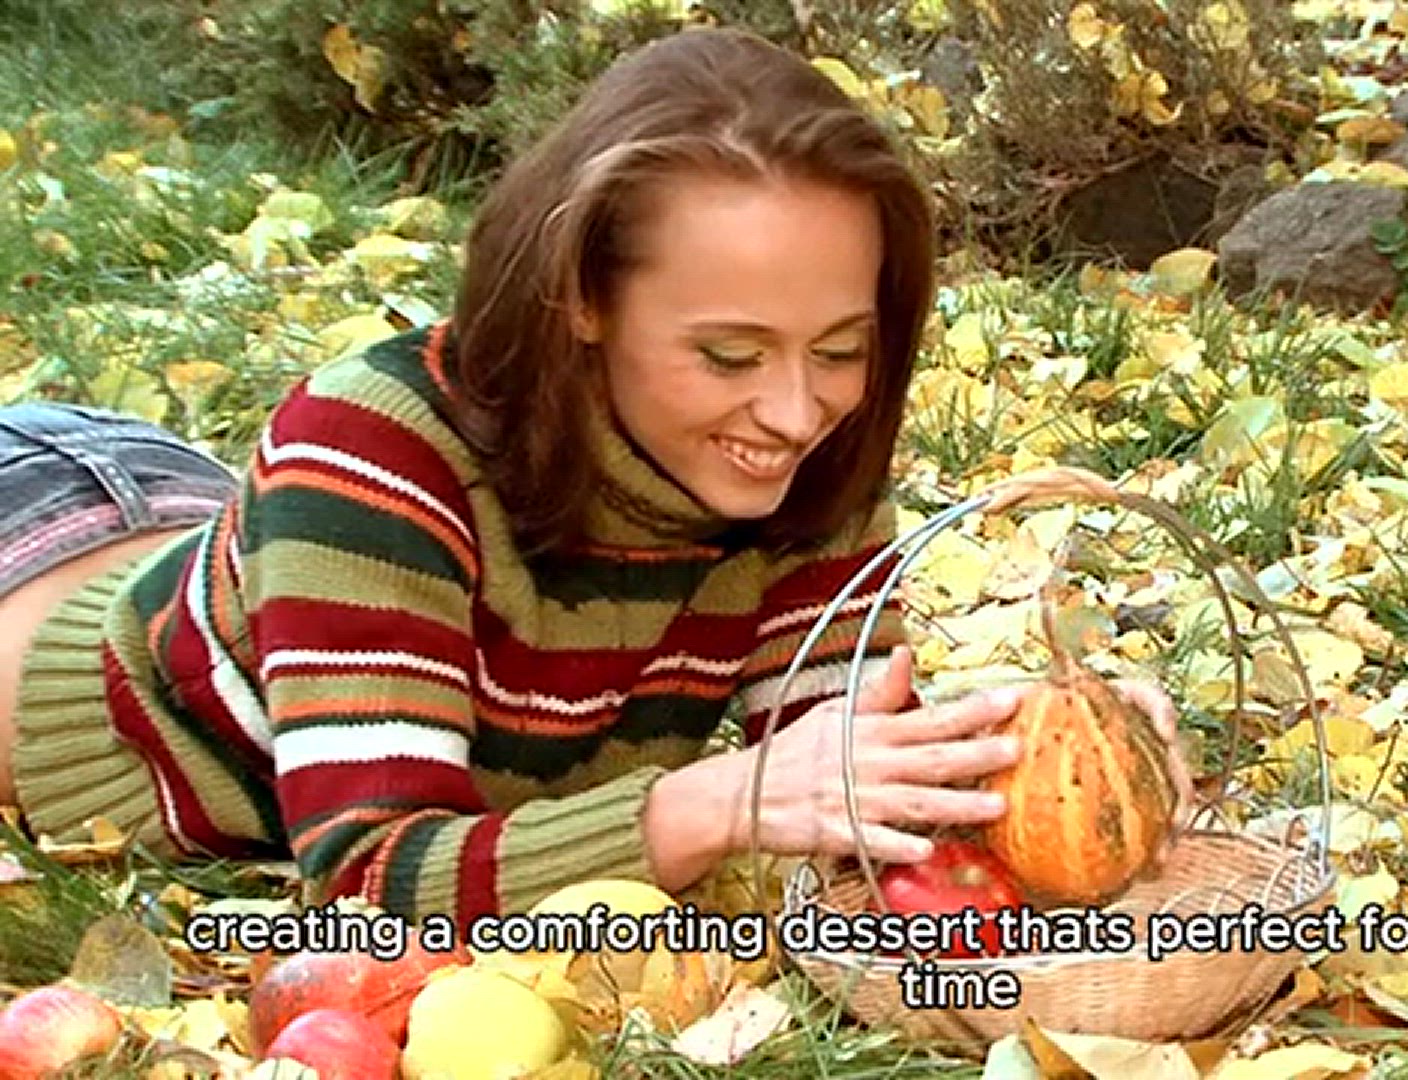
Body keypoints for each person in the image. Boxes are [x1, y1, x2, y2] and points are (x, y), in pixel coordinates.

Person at [0, 27, 1191, 926]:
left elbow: (836, 780)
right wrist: (715, 803)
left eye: (838, 349)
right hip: (32, 546)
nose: (795, 411)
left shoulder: (810, 455)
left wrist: (1047, 752)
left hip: (205, 517)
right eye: (729, 355)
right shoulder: (372, 452)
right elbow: (369, 878)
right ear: (579, 297)